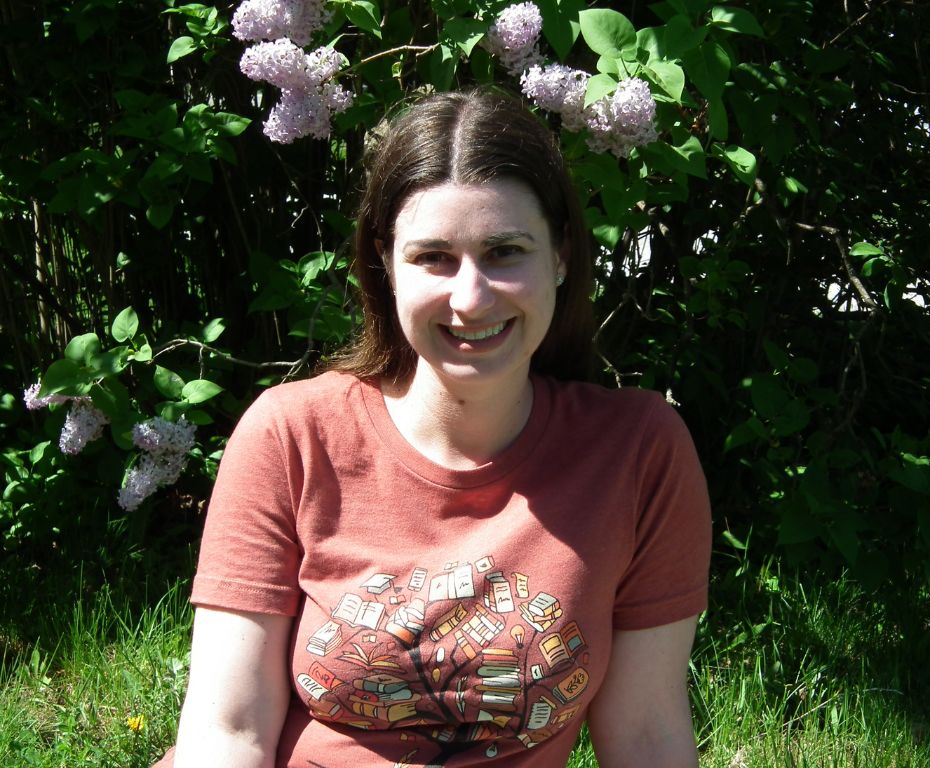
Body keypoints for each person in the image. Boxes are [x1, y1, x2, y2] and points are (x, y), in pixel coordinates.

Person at [157, 87, 711, 768]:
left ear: (561, 256)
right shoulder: (290, 435)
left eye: (505, 251)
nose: (471, 296)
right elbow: (228, 731)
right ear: (385, 263)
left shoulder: (638, 452)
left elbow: (647, 733)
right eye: (434, 258)